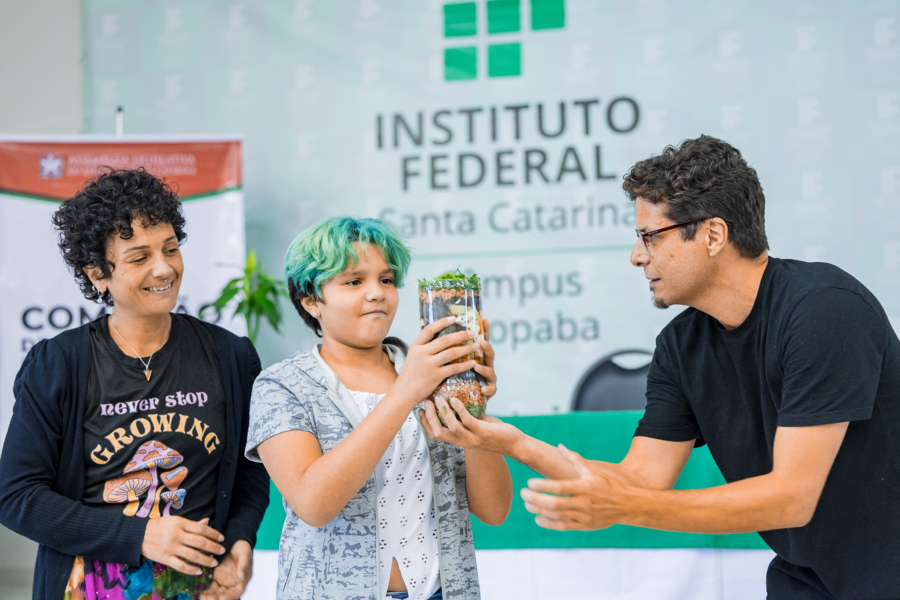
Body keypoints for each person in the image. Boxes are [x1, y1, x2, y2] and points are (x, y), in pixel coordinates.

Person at [423, 136, 900, 600]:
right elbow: (639, 479)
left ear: (713, 235)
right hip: (807, 576)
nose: (637, 256)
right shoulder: (681, 344)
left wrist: (624, 506)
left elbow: (791, 498)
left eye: (649, 236)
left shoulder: (824, 309)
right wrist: (511, 442)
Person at [0, 168, 270, 600]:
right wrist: (140, 535)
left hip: (199, 587)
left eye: (171, 249)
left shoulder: (231, 356)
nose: (164, 268)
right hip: (89, 587)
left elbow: (250, 470)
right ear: (97, 274)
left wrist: (240, 540)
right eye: (139, 258)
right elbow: (17, 496)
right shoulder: (59, 364)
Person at [245, 217, 512, 600]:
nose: (377, 293)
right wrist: (405, 392)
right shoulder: (281, 385)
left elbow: (494, 510)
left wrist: (473, 407)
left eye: (386, 280)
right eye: (354, 282)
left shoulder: (434, 373)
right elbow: (313, 504)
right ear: (311, 301)